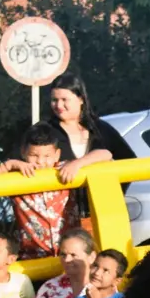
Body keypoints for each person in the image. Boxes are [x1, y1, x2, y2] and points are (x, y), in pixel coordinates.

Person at [44, 72, 137, 232]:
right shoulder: (45, 131)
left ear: (80, 99)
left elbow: (129, 161)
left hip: (102, 214)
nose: (59, 105)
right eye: (54, 100)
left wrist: (112, 196)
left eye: (64, 99)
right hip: (62, 219)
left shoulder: (100, 128)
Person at [0, 124, 74, 259]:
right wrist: (9, 165)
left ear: (57, 154)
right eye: (34, 155)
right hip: (33, 256)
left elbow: (105, 154)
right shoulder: (17, 176)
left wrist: (78, 164)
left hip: (69, 257)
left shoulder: (65, 169)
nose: (41, 161)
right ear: (23, 152)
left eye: (47, 156)